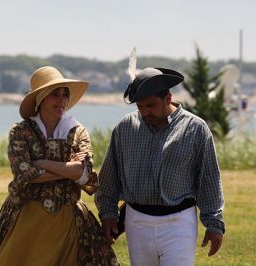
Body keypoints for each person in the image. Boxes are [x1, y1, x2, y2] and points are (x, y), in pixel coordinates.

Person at [0, 66, 118, 266]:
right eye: (55, 94)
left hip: (67, 218)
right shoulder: (20, 131)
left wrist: (42, 163)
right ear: (41, 98)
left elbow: (85, 172)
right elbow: (23, 174)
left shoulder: (77, 132)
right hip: (26, 218)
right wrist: (68, 170)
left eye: (64, 95)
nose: (61, 100)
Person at [95, 67, 225, 266]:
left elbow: (209, 180)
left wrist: (214, 223)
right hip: (136, 222)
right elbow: (109, 178)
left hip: (179, 223)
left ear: (168, 98)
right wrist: (108, 214)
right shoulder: (125, 128)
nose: (145, 112)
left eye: (150, 105)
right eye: (140, 107)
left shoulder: (196, 129)